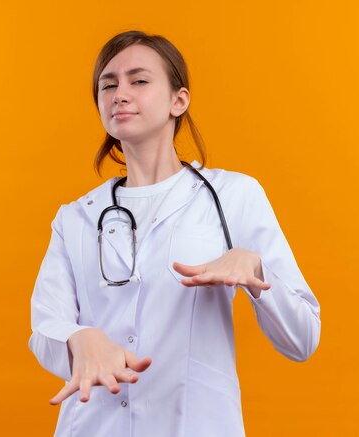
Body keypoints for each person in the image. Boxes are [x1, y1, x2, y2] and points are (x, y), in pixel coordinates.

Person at [28, 30, 321, 437]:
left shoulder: (233, 196)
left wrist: (257, 272)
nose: (120, 94)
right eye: (107, 85)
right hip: (94, 426)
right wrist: (79, 338)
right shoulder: (77, 217)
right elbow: (44, 328)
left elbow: (303, 338)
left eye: (139, 81)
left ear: (178, 101)